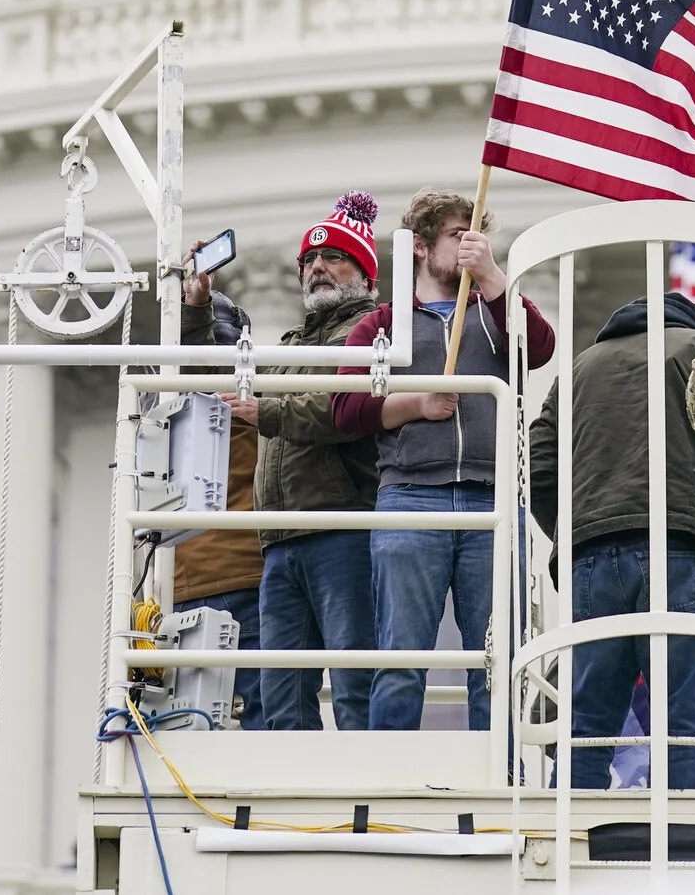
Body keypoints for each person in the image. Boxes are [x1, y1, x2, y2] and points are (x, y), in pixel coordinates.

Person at [333, 189, 556, 730]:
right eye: (458, 234)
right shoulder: (381, 324)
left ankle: (502, 771)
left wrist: (494, 276)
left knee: (498, 661)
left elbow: (541, 347)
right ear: (421, 245)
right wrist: (417, 404)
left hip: (491, 498)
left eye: (476, 234)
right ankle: (393, 771)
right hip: (411, 496)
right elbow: (344, 408)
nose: (470, 243)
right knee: (401, 659)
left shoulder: (494, 311)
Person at [188, 193, 386, 730]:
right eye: (309, 260)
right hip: (279, 541)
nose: (317, 267)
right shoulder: (289, 347)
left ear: (365, 274)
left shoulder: (372, 334)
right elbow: (215, 384)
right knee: (281, 702)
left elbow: (343, 409)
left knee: (355, 690)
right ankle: (297, 793)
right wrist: (198, 309)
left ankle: (368, 786)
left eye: (334, 257)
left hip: (343, 528)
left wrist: (267, 411)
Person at [530, 293, 695, 789]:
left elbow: (537, 466)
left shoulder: (578, 369)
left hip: (591, 553)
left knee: (586, 724)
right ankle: (685, 833)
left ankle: (571, 827)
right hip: (683, 543)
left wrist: (577, 526)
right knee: (686, 721)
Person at [172, 279, 268, 729]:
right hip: (247, 571)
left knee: (189, 716)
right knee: (265, 710)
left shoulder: (171, 412)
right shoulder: (255, 406)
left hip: (186, 578)